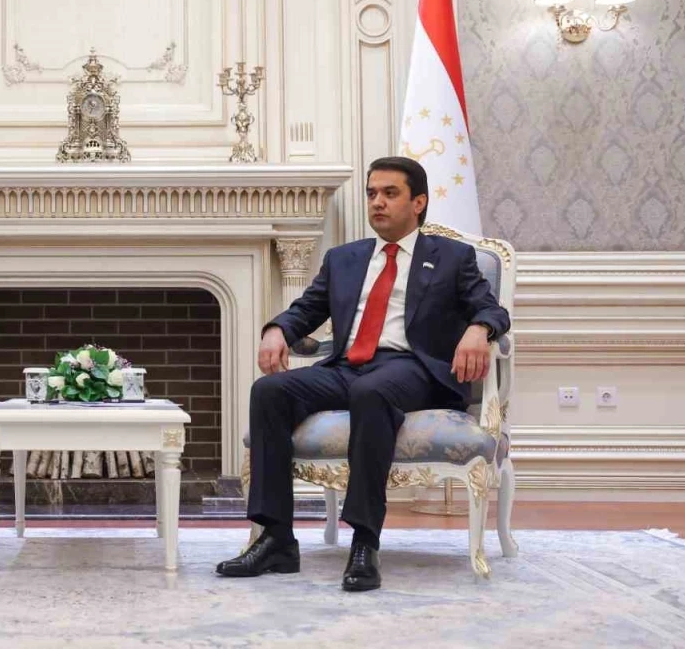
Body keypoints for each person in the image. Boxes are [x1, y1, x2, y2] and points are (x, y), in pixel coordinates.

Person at [216, 156, 509, 591]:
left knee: (372, 392)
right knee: (270, 391)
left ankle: (365, 542)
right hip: (347, 366)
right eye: (372, 193)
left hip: (412, 369)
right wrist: (277, 329)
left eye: (390, 193)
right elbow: (306, 309)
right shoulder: (344, 258)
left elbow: (491, 308)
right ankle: (277, 539)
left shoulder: (452, 257)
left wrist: (479, 329)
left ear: (418, 202)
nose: (377, 202)